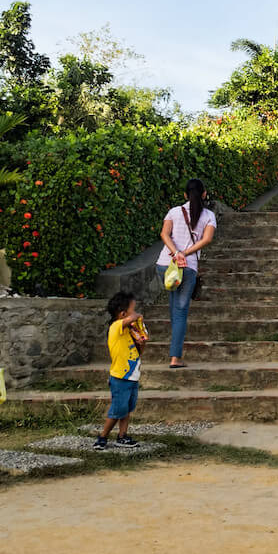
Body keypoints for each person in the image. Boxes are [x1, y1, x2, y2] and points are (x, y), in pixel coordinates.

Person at [155, 178, 217, 368]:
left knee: (174, 306)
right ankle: (175, 357)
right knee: (181, 311)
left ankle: (175, 349)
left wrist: (175, 253)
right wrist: (184, 254)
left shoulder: (174, 211)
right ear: (204, 194)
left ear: (185, 195)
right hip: (187, 267)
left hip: (165, 264)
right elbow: (206, 240)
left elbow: (164, 234)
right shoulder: (208, 216)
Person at [94, 291, 147, 450]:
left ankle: (122, 436)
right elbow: (131, 319)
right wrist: (137, 317)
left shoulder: (129, 332)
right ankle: (102, 437)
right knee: (117, 409)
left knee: (127, 408)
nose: (136, 313)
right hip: (120, 377)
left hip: (132, 377)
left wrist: (141, 342)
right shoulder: (115, 327)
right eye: (133, 310)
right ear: (123, 314)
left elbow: (138, 352)